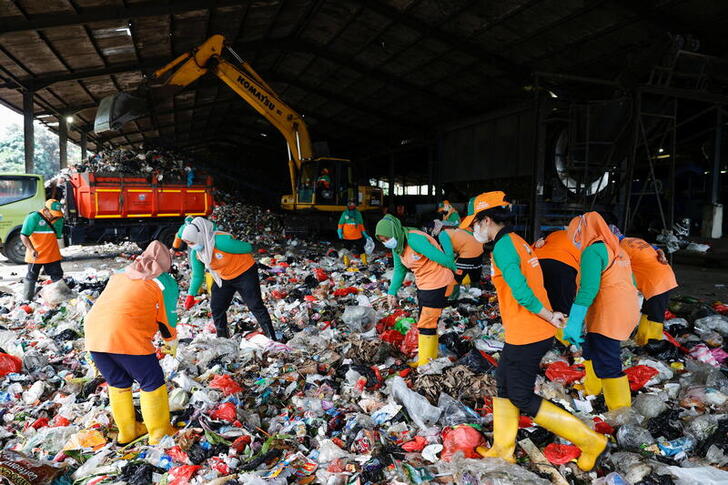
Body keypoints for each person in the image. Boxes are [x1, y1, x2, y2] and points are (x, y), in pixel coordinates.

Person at [461, 192, 606, 471]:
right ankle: (503, 449)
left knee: (521, 395)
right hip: (525, 330)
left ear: (487, 219)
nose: (473, 230)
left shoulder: (504, 247)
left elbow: (522, 293)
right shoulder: (516, 241)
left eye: (474, 223)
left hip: (529, 332)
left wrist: (549, 316)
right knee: (503, 380)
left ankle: (590, 441)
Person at [84, 241, 178, 445]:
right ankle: (160, 433)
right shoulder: (164, 282)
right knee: (151, 382)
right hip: (126, 335)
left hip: (94, 335)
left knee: (118, 383)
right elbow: (167, 318)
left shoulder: (120, 272)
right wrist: (171, 341)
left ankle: (127, 432)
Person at [562, 212, 640, 410]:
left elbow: (588, 290)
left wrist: (574, 322)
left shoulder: (593, 252)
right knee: (592, 350)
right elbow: (631, 281)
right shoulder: (617, 249)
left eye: (574, 234)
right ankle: (591, 390)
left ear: (582, 232)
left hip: (609, 314)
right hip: (625, 309)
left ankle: (621, 412)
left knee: (607, 362)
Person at [375, 214, 456, 366]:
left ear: (395, 232)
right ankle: (428, 360)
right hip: (424, 284)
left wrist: (454, 270)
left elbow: (441, 257)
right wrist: (391, 292)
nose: (386, 243)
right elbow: (400, 270)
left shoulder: (414, 239)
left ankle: (425, 363)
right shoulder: (397, 246)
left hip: (437, 282)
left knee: (427, 323)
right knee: (425, 322)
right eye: (382, 241)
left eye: (387, 238)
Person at [181, 217, 277, 340]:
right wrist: (191, 295)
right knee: (217, 307)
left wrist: (232, 246)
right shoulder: (197, 253)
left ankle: (272, 337)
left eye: (192, 242)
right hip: (223, 277)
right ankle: (223, 339)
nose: (191, 246)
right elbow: (197, 275)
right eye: (188, 243)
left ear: (200, 236)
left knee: (255, 305)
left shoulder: (220, 241)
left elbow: (247, 248)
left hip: (244, 273)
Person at [602, 215, 678, 347]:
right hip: (662, 277)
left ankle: (651, 344)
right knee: (648, 311)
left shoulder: (621, 248)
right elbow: (655, 249)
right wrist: (661, 253)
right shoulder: (633, 240)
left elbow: (617, 271)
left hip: (657, 282)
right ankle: (642, 341)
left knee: (654, 315)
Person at [20, 199, 65, 301]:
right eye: (52, 213)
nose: (54, 216)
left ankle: (60, 299)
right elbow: (23, 235)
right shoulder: (33, 218)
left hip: (52, 254)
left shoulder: (59, 219)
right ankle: (27, 300)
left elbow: (56, 236)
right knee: (31, 277)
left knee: (57, 276)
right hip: (36, 254)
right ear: (45, 210)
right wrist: (31, 250)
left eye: (56, 214)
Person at [532, 230, 581, 315]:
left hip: (536, 264)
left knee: (540, 307)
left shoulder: (548, 238)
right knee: (562, 311)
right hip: (562, 266)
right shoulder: (580, 240)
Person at [337, 200, 372, 265]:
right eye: (350, 205)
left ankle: (365, 263)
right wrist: (339, 232)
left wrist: (364, 234)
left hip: (357, 236)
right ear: (347, 206)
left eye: (353, 205)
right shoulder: (344, 214)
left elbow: (361, 224)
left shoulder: (358, 213)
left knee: (361, 250)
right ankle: (346, 264)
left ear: (355, 206)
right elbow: (340, 224)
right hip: (347, 237)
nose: (351, 206)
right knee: (346, 250)